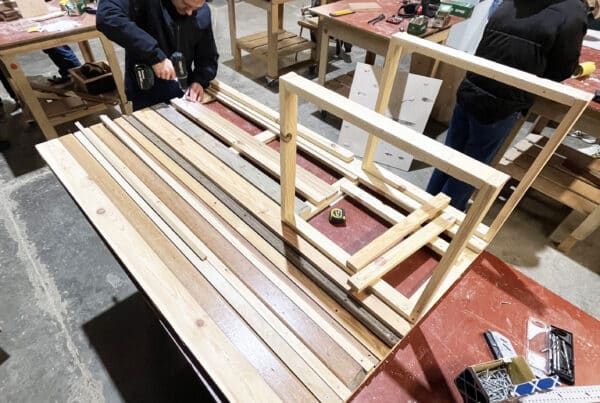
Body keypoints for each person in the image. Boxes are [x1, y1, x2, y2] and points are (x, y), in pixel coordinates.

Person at [426, 0, 588, 211]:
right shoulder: (573, 11)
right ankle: (446, 213)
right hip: (503, 101)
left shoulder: (511, 2)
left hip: (472, 86)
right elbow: (561, 69)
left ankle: (425, 204)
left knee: (450, 155)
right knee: (474, 165)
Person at [96, 0, 218, 111]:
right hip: (146, 91)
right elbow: (107, 16)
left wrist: (199, 80)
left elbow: (207, 56)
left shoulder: (201, 12)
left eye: (196, 7)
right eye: (185, 5)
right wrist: (154, 55)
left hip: (184, 94)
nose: (190, 12)